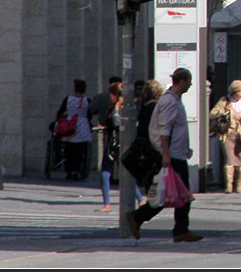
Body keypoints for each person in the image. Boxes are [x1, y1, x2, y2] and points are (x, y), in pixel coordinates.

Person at [127, 68, 200, 243]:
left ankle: (180, 229)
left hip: (177, 155)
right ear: (181, 81)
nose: (190, 84)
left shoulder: (174, 100)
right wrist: (166, 154)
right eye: (189, 81)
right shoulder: (169, 102)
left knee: (179, 195)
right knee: (172, 195)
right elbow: (164, 130)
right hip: (171, 157)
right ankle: (138, 217)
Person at [210, 80, 241, 194]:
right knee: (229, 159)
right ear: (234, 92)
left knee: (239, 159)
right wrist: (224, 111)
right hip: (228, 134)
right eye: (240, 91)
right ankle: (229, 186)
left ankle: (239, 185)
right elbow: (212, 113)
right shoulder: (224, 101)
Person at [56, 79, 92, 181]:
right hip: (82, 127)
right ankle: (77, 170)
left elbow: (60, 112)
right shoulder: (87, 100)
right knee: (80, 152)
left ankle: (69, 171)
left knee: (68, 151)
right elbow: (89, 114)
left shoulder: (68, 99)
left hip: (69, 125)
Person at [97, 82, 124, 211]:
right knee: (107, 174)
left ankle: (107, 204)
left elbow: (117, 123)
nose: (109, 97)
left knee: (108, 173)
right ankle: (107, 203)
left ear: (116, 95)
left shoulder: (121, 108)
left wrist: (117, 107)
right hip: (112, 142)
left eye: (111, 94)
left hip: (116, 145)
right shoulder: (113, 107)